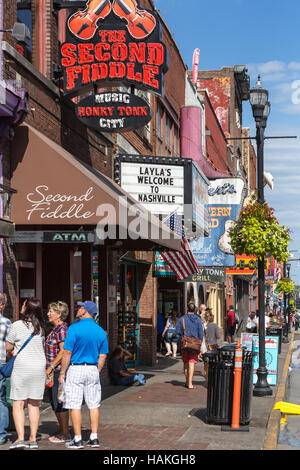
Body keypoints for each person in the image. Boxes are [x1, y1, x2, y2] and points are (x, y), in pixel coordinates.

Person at [58, 301, 108, 449]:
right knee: (93, 404)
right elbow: (103, 355)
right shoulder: (100, 331)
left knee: (75, 405)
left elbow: (67, 352)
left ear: (85, 311)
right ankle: (94, 437)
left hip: (76, 368)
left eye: (80, 307)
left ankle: (78, 439)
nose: (78, 309)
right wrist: (96, 370)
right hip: (92, 368)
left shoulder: (74, 328)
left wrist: (62, 372)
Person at [6, 298, 46, 450]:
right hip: (38, 367)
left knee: (18, 403)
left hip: (22, 367)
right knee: (34, 404)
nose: (21, 306)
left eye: (23, 305)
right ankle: (33, 439)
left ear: (27, 309)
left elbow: (8, 347)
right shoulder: (41, 327)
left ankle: (21, 438)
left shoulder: (16, 325)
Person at [45, 301, 70, 443]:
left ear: (59, 314)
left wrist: (52, 367)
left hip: (57, 371)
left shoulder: (61, 329)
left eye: (51, 311)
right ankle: (62, 429)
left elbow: (63, 351)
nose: (48, 314)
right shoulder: (55, 328)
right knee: (55, 401)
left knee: (59, 401)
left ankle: (65, 433)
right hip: (52, 371)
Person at [175, 302, 203, 390]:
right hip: (195, 344)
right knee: (192, 363)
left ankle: (187, 382)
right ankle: (190, 384)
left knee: (186, 363)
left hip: (185, 344)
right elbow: (201, 333)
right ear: (194, 310)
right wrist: (200, 343)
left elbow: (177, 332)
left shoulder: (181, 319)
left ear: (187, 309)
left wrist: (181, 339)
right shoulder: (198, 319)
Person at [0, 293, 11, 445]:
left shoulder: (6, 323)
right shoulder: (7, 323)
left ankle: (1, 433)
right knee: (1, 399)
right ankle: (1, 434)